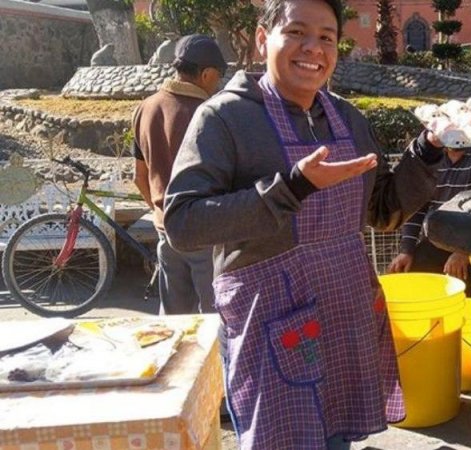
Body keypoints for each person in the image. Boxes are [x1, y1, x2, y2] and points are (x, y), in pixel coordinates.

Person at [162, 1, 444, 448]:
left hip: (343, 314)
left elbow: (383, 210)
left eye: (326, 37)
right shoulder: (224, 119)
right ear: (262, 38)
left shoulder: (348, 120)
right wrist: (291, 188)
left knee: (337, 440)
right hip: (272, 321)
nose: (313, 48)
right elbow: (182, 223)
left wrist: (428, 150)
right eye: (296, 32)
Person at [132, 34, 227, 315]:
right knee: (217, 320)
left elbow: (140, 176)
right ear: (206, 74)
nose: (218, 83)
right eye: (218, 76)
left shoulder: (145, 108)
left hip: (166, 229)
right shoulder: (210, 113)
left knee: (174, 321)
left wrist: (161, 212)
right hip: (206, 232)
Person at [387, 146, 471, 296]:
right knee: (413, 275)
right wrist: (406, 250)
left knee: (465, 294)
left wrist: (463, 251)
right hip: (437, 240)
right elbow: (417, 207)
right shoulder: (432, 156)